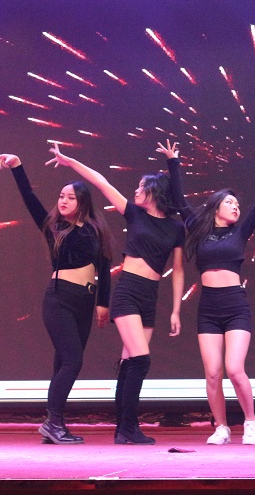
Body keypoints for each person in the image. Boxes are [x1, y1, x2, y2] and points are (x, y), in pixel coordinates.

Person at [158, 140, 255, 445]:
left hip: (235, 305)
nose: (236, 207)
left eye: (238, 204)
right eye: (230, 203)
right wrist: (173, 162)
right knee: (212, 373)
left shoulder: (241, 231)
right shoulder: (199, 229)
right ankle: (222, 427)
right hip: (208, 308)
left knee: (234, 369)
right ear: (217, 207)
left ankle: (251, 421)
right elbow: (180, 200)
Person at [46, 144, 185, 445]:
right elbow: (101, 181)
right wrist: (70, 162)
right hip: (128, 291)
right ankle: (129, 427)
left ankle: (123, 429)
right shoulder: (134, 214)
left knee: (130, 361)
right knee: (141, 359)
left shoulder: (176, 228)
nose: (135, 191)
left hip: (150, 294)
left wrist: (175, 309)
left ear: (154, 192)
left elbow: (178, 270)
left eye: (140, 187)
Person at [0, 153, 113, 445]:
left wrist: (103, 304)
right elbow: (30, 198)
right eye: (61, 196)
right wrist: (18, 166)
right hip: (60, 300)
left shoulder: (95, 230)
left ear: (82, 202)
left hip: (85, 302)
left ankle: (54, 424)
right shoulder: (54, 228)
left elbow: (105, 268)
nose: (63, 201)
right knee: (72, 360)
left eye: (70, 197)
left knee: (63, 364)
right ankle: (53, 423)